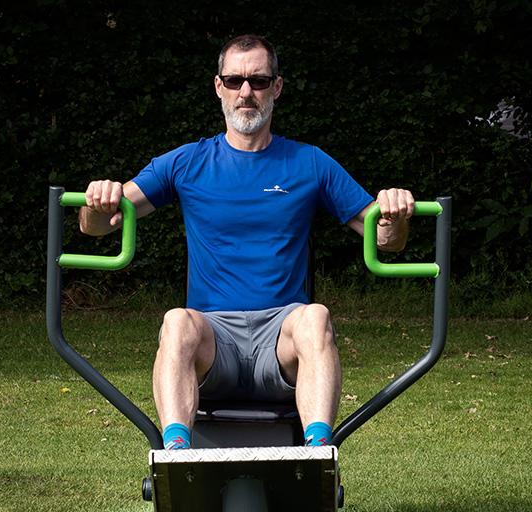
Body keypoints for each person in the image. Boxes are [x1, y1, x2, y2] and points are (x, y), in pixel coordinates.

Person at [79, 34, 414, 449]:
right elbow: (97, 225)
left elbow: (385, 240)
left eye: (257, 80)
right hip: (213, 338)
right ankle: (176, 454)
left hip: (281, 337)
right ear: (218, 87)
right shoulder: (187, 162)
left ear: (276, 87)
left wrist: (394, 212)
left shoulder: (308, 162)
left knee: (315, 318)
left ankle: (317, 454)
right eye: (235, 80)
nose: (246, 92)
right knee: (176, 321)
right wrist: (98, 200)